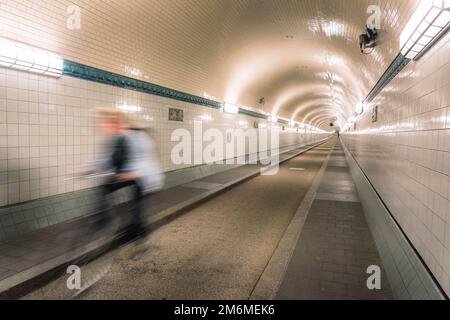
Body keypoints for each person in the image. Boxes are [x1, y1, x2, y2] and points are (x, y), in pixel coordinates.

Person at [92, 108, 164, 238]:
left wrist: (134, 173)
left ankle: (141, 234)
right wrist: (91, 168)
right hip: (129, 174)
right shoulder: (116, 138)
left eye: (107, 124)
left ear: (117, 123)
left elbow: (149, 160)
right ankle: (105, 220)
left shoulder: (138, 136)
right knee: (104, 187)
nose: (104, 128)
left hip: (146, 177)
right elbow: (108, 158)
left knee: (136, 206)